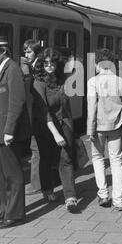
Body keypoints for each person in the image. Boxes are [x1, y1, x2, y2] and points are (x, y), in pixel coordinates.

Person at [0, 38, 31, 229]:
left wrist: (9, 130)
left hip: (7, 133)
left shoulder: (13, 69)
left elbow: (17, 102)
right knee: (2, 174)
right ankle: (6, 209)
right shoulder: (2, 69)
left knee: (12, 174)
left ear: (3, 51)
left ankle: (15, 215)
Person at [87, 48, 122, 211]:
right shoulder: (120, 81)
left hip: (98, 126)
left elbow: (92, 107)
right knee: (116, 161)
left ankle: (104, 194)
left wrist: (89, 129)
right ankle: (119, 201)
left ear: (98, 64)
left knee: (98, 158)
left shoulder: (93, 81)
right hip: (116, 126)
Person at [32, 48, 78, 211]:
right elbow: (44, 112)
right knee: (45, 158)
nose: (49, 65)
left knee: (66, 159)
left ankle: (70, 197)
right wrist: (56, 133)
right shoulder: (38, 83)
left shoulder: (62, 80)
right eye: (45, 63)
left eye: (52, 62)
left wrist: (69, 127)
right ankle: (47, 189)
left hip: (63, 123)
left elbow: (66, 106)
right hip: (45, 126)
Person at [22, 40, 43, 196]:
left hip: (38, 115)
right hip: (37, 114)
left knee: (36, 149)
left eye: (29, 52)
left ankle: (36, 185)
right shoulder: (34, 66)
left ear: (36, 52)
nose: (26, 54)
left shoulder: (37, 68)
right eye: (25, 51)